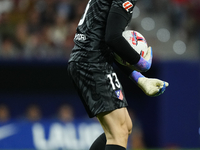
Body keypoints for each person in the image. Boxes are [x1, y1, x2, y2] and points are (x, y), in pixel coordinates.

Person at [67, 0, 169, 150]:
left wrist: (139, 78)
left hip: (91, 59)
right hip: (92, 62)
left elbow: (107, 41)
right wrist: (141, 63)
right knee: (118, 132)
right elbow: (113, 38)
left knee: (125, 126)